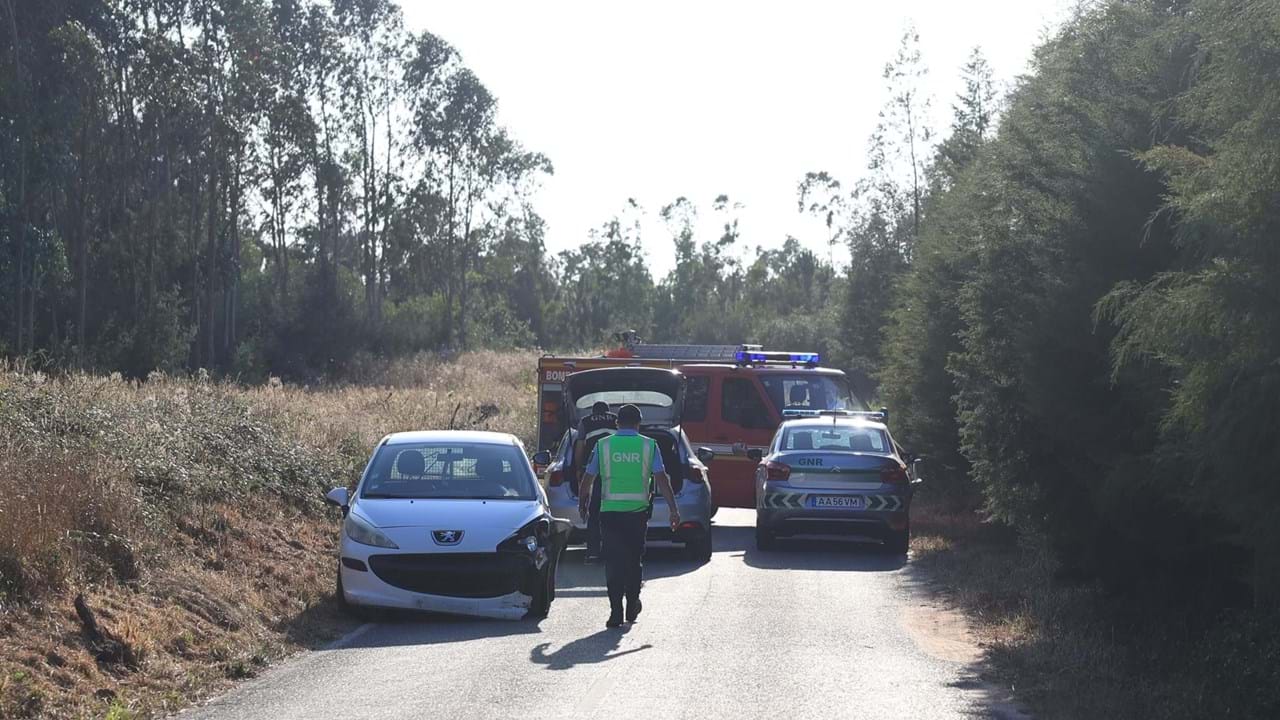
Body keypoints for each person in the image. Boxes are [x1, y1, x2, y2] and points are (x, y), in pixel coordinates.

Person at [578, 404, 680, 628]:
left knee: (613, 562)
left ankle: (616, 612)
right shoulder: (648, 445)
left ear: (617, 423)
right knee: (634, 561)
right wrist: (673, 509)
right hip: (637, 514)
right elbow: (662, 479)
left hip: (610, 514)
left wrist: (582, 501)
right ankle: (632, 603)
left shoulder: (603, 445)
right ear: (638, 423)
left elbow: (588, 477)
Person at [574, 401, 617, 561]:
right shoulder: (616, 419)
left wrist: (579, 469)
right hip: (616, 469)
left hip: (596, 468)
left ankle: (593, 551)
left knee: (595, 510)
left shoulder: (585, 422)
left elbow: (580, 447)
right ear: (607, 410)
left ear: (593, 411)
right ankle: (612, 549)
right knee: (613, 510)